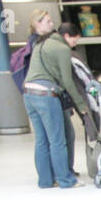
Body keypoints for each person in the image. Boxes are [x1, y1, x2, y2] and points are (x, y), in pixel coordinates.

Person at [22, 22, 87, 189]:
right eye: (74, 41)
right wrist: (81, 104)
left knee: (41, 140)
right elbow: (67, 81)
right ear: (66, 37)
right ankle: (65, 180)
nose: (74, 45)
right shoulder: (62, 49)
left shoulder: (41, 42)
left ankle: (45, 181)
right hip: (46, 95)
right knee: (58, 140)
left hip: (28, 93)